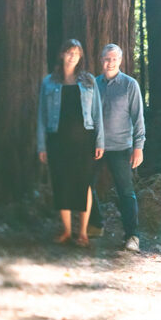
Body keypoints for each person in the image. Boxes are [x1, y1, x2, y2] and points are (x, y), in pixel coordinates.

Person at [37, 39, 104, 247]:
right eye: (69, 52)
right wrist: (41, 145)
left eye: (76, 53)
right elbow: (41, 115)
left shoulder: (89, 81)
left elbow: (97, 113)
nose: (72, 56)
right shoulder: (49, 82)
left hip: (84, 141)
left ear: (80, 56)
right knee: (61, 182)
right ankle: (67, 231)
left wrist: (100, 141)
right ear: (61, 55)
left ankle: (82, 233)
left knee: (84, 184)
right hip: (57, 139)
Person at [88, 43, 145, 252]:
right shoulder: (94, 84)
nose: (110, 62)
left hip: (121, 147)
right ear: (101, 60)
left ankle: (132, 236)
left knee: (125, 192)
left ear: (120, 61)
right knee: (86, 186)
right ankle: (96, 224)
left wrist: (139, 146)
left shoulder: (130, 85)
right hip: (96, 147)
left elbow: (138, 118)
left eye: (114, 59)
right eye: (106, 58)